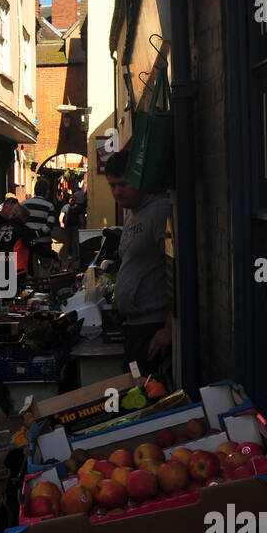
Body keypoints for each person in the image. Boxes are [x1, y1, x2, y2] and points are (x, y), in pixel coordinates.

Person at [104, 147, 173, 373]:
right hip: (134, 327)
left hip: (152, 329)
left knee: (146, 395)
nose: (117, 192)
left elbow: (177, 270)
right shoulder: (131, 214)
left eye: (123, 184)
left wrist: (169, 329)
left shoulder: (159, 211)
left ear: (138, 177)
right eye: (112, 186)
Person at [23, 176, 57, 243]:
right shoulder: (49, 206)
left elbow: (19, 222)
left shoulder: (24, 204)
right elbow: (50, 225)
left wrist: (28, 234)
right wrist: (37, 234)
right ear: (46, 191)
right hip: (43, 242)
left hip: (26, 241)